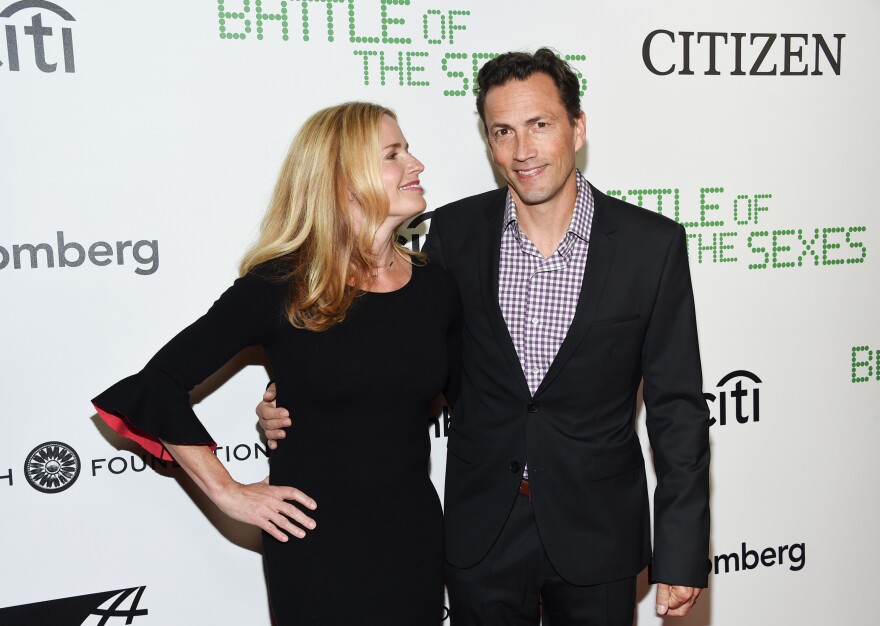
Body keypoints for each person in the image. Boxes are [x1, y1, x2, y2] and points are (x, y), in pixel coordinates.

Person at [259, 49, 710, 625]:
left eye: (539, 125)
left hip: (599, 533)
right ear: (489, 142)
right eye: (503, 131)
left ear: (577, 128)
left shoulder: (652, 246)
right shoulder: (452, 232)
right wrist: (297, 396)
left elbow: (678, 410)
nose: (522, 150)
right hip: (480, 532)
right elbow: (398, 357)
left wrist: (681, 552)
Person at [92, 102, 460, 625]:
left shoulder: (436, 288)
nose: (416, 164)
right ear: (343, 180)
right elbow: (156, 385)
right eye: (393, 154)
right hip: (313, 545)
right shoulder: (282, 286)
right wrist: (228, 492)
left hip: (414, 539)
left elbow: (461, 396)